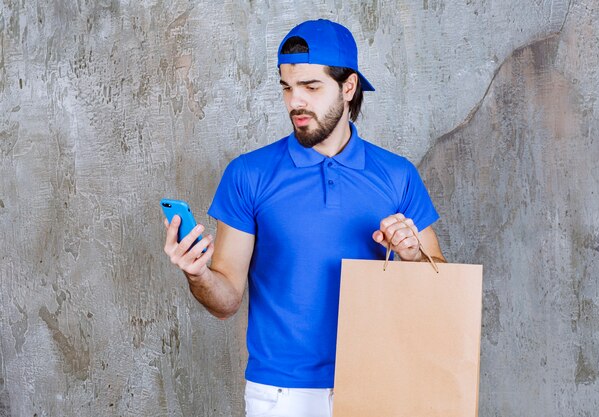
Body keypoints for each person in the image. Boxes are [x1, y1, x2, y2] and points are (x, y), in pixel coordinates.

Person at [163, 19, 445, 417]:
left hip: (381, 381)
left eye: (311, 87)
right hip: (280, 394)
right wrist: (198, 275)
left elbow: (441, 288)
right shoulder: (249, 174)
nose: (295, 102)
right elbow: (226, 300)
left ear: (348, 88)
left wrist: (413, 256)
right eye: (287, 87)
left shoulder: (397, 175)